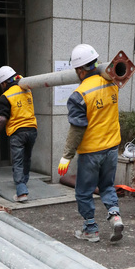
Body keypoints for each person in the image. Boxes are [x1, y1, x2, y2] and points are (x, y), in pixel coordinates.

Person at [57, 44, 124, 243]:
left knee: (84, 192)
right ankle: (115, 215)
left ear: (79, 70)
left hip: (91, 152)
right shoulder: (112, 83)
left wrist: (66, 156)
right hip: (112, 148)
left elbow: (77, 130)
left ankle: (91, 229)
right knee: (107, 186)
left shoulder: (79, 94)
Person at [0, 65, 38, 203]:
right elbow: (21, 79)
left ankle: (21, 191)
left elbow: (2, 119)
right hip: (32, 129)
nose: (1, 86)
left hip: (18, 132)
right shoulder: (26, 87)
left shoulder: (6, 96)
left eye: (1, 84)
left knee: (18, 161)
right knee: (26, 158)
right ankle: (23, 181)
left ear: (4, 83)